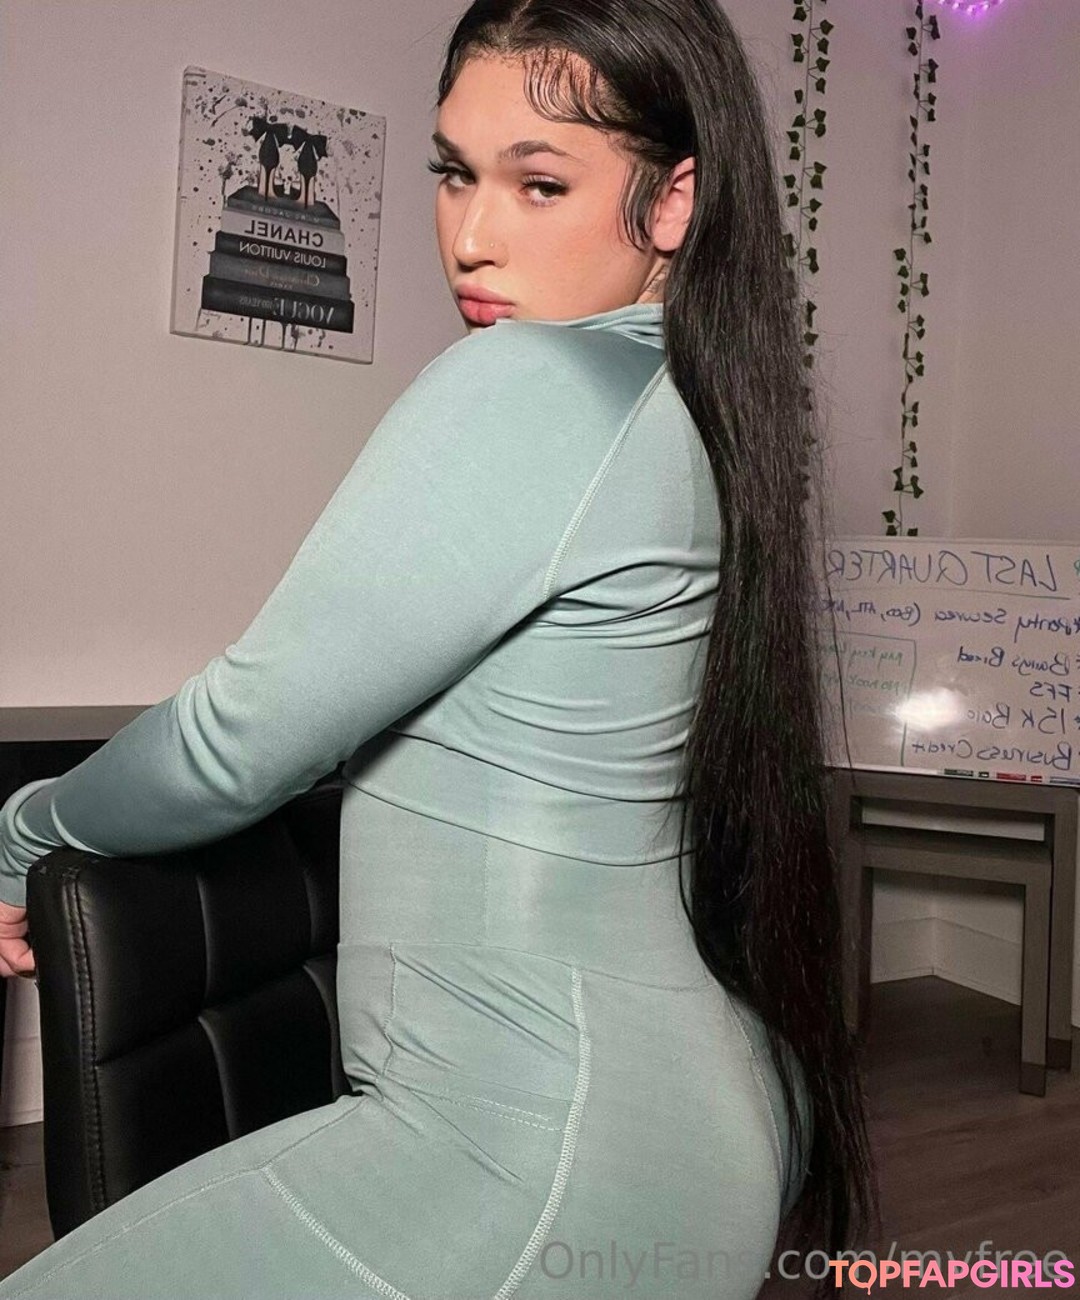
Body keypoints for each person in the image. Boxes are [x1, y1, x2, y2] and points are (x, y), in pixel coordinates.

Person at [0, 0, 877, 1295]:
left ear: (674, 201)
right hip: (690, 1111)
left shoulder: (531, 383)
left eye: (540, 183)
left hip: (531, 1145)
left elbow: (239, 738)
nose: (471, 234)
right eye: (455, 173)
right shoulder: (695, 410)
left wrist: (23, 828)